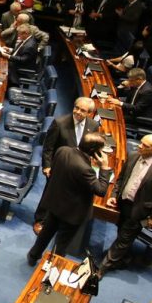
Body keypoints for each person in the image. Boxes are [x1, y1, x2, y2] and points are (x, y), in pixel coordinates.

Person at [27, 133, 110, 264]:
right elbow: (101, 190)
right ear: (94, 150)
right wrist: (104, 169)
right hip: (71, 212)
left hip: (55, 202)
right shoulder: (85, 169)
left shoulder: (62, 150)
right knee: (62, 244)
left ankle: (33, 256)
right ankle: (53, 267)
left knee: (46, 233)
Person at [100, 134, 152, 273]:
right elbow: (121, 178)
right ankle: (124, 259)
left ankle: (101, 269)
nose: (139, 146)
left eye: (145, 146)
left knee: (123, 240)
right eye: (141, 143)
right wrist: (114, 195)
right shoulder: (133, 156)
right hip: (124, 203)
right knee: (121, 232)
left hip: (140, 210)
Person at [35, 97, 100, 233]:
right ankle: (40, 220)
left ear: (89, 113)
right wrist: (47, 166)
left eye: (83, 110)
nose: (78, 112)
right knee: (50, 194)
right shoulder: (60, 123)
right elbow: (48, 148)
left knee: (69, 195)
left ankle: (58, 219)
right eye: (76, 108)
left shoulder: (93, 125)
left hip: (78, 168)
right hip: (59, 166)